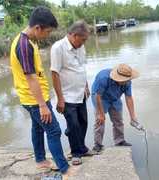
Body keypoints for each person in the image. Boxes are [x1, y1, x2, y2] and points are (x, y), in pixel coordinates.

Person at [10, 6, 75, 179]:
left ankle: (40, 161)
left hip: (33, 97)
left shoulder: (29, 41)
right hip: (33, 99)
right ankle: (65, 169)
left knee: (37, 128)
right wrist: (42, 105)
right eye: (47, 31)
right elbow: (30, 77)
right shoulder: (23, 45)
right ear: (37, 27)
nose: (48, 35)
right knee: (53, 130)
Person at [50, 20, 97, 166]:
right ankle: (76, 153)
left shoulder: (80, 47)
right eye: (83, 40)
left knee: (83, 122)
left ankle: (82, 147)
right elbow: (54, 73)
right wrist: (60, 99)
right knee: (74, 124)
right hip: (67, 95)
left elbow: (82, 68)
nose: (84, 43)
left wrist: (86, 87)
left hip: (81, 93)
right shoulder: (58, 47)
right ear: (74, 35)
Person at [91, 64, 140, 152]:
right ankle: (97, 144)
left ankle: (119, 141)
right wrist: (101, 114)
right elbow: (98, 96)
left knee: (118, 120)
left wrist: (133, 116)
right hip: (101, 98)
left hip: (115, 98)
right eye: (122, 81)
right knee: (99, 121)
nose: (124, 82)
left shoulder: (128, 81)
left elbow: (129, 97)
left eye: (126, 80)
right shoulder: (103, 78)